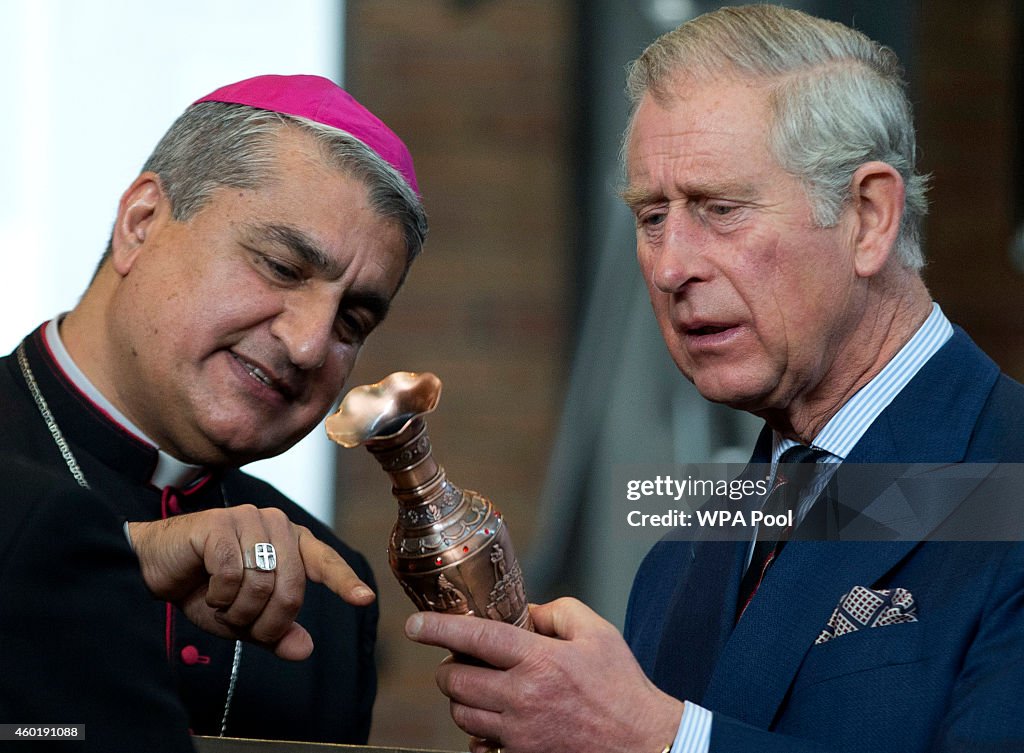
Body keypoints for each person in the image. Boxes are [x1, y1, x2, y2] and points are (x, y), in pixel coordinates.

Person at [403, 6, 1024, 753]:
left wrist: (659, 740)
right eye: (653, 216)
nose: (670, 268)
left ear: (867, 217)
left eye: (720, 209)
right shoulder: (686, 552)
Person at [0, 74, 427, 745]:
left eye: (353, 318)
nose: (311, 343)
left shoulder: (327, 601)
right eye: (282, 266)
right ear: (140, 223)